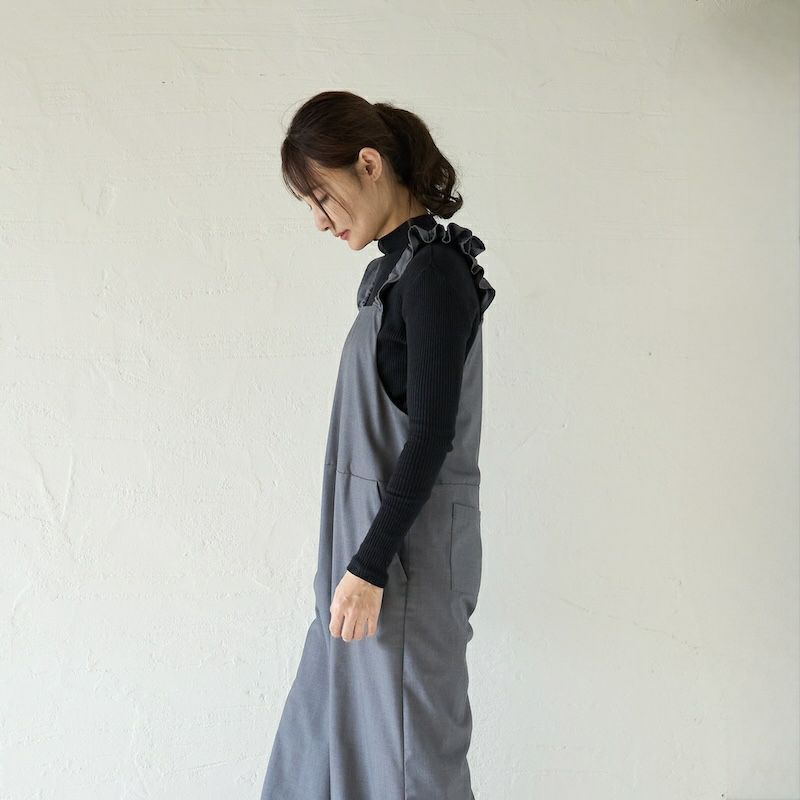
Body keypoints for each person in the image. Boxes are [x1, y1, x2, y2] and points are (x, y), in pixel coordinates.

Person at [260, 90, 496, 800]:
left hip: (400, 570)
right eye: (308, 204)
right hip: (364, 568)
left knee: (410, 770)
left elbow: (430, 436)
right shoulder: (392, 276)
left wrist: (368, 567)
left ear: (369, 164)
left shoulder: (436, 275)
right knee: (316, 756)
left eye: (322, 196)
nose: (319, 219)